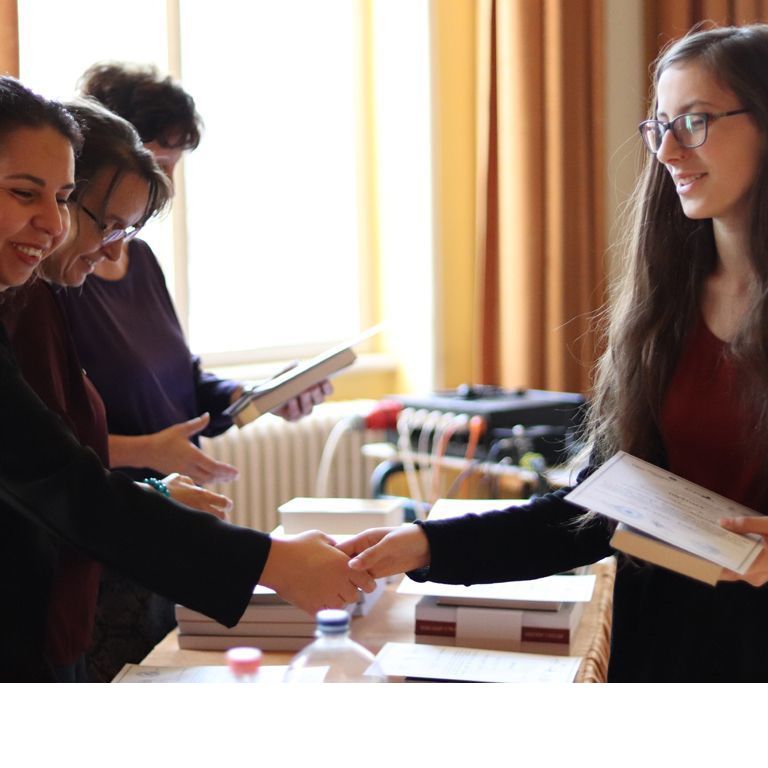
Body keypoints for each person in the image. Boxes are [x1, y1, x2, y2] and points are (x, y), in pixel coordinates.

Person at [339, 23, 768, 682]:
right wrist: (421, 543)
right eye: (659, 127)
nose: (668, 151)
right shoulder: (665, 311)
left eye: (696, 121)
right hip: (660, 648)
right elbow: (594, 514)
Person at [0, 75, 374, 681]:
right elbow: (57, 479)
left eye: (63, 199)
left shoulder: (66, 284)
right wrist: (272, 562)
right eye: (25, 193)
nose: (52, 223)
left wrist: (160, 489)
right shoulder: (33, 300)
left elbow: (50, 477)